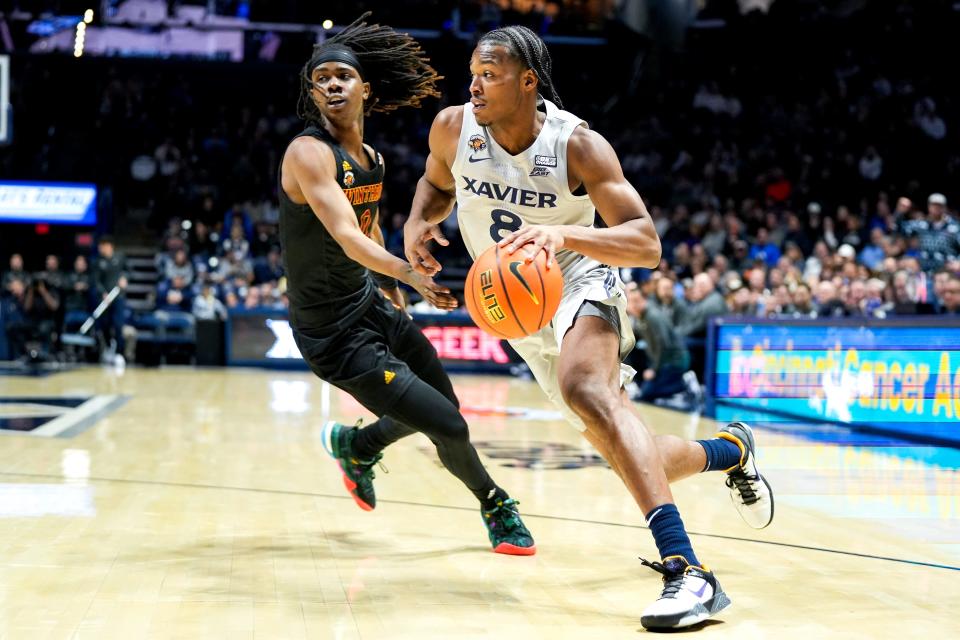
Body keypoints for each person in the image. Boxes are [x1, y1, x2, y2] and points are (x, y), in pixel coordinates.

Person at [403, 26, 773, 630]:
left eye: (490, 73)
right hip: (517, 307)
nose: (474, 83)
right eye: (472, 70)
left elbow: (646, 243)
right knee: (627, 452)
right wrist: (419, 222)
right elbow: (436, 184)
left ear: (528, 81)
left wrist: (564, 234)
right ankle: (730, 450)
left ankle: (689, 572)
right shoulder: (451, 128)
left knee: (588, 390)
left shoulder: (577, 145)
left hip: (579, 275)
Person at [279, 14, 534, 556]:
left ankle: (359, 446)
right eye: (319, 78)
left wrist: (394, 294)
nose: (330, 84)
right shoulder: (308, 153)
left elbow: (367, 225)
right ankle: (496, 504)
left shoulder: (370, 159)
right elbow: (348, 236)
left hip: (369, 305)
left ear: (364, 89)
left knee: (445, 409)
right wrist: (409, 274)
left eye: (341, 76)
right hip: (332, 334)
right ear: (312, 94)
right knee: (448, 425)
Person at [625, 282, 691, 401]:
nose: (631, 306)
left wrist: (654, 370)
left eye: (635, 301)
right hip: (662, 360)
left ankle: (684, 384)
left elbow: (664, 346)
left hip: (673, 362)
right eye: (630, 302)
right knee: (632, 350)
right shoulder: (642, 316)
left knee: (647, 393)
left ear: (641, 300)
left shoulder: (652, 316)